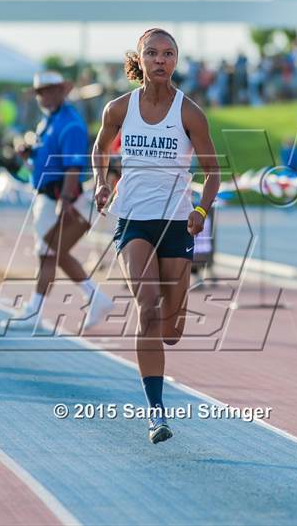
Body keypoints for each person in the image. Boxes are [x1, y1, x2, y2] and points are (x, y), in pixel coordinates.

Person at [92, 28, 220, 443]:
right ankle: (156, 414)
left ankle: (173, 321)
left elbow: (213, 172)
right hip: (133, 221)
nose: (161, 60)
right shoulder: (119, 108)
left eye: (168, 54)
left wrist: (201, 209)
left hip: (176, 223)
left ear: (176, 62)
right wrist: (102, 182)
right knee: (146, 309)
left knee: (170, 329)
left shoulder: (189, 113)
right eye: (153, 53)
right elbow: (100, 150)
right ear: (140, 59)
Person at [11, 71, 113, 332]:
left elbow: (72, 167)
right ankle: (92, 297)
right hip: (47, 195)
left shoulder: (70, 123)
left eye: (46, 90)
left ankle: (39, 308)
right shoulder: (49, 121)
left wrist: (65, 199)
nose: (41, 96)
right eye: (39, 92)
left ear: (59, 91)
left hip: (61, 196)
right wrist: (28, 155)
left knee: (49, 252)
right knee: (50, 252)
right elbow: (46, 161)